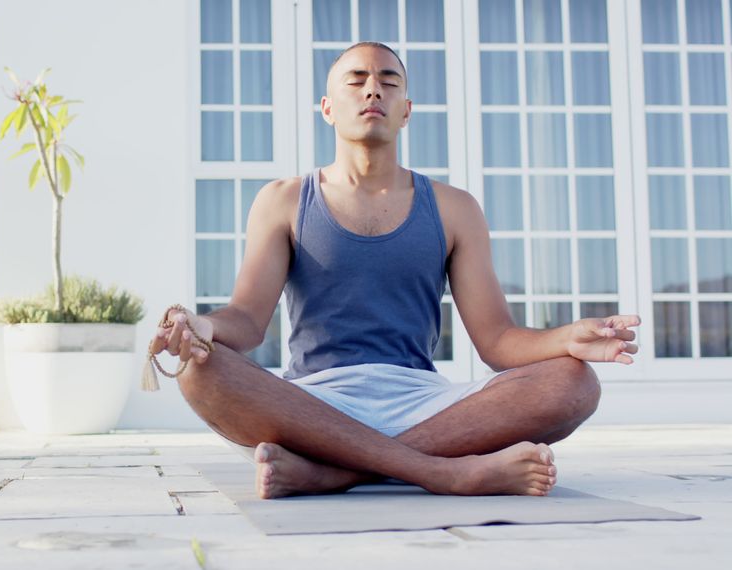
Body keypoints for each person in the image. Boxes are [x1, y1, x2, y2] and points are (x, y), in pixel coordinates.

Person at [148, 41, 640, 499]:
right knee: (199, 368)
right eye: (356, 79)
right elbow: (248, 321)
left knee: (573, 383)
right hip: (314, 407)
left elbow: (497, 342)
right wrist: (204, 326)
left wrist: (567, 338)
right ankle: (445, 472)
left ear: (406, 110)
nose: (372, 89)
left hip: (421, 403)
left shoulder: (455, 208)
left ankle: (333, 473)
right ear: (327, 108)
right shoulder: (283, 201)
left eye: (388, 80)